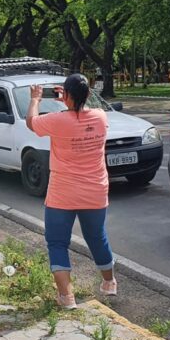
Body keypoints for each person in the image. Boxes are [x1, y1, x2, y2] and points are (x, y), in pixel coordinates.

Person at [26, 73, 117, 309]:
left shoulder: (56, 120)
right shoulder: (100, 116)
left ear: (65, 95)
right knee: (97, 237)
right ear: (88, 94)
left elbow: (31, 122)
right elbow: (84, 112)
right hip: (95, 190)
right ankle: (109, 284)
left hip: (62, 193)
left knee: (57, 243)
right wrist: (70, 101)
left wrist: (36, 99)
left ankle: (67, 297)